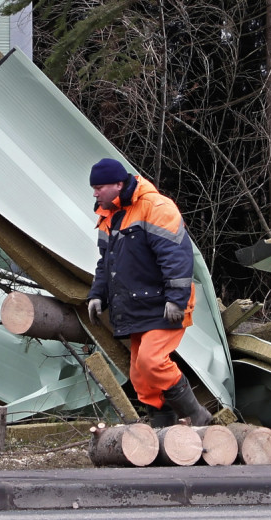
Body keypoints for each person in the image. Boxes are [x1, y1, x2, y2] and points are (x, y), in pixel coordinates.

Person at [85, 157, 212, 427]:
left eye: (99, 187)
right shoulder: (108, 216)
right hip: (135, 306)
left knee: (152, 361)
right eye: (93, 188)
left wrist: (176, 300)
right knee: (140, 374)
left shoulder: (156, 207)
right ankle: (162, 428)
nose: (95, 193)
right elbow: (106, 263)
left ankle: (197, 415)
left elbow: (177, 258)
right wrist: (97, 294)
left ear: (119, 184)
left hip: (165, 305)